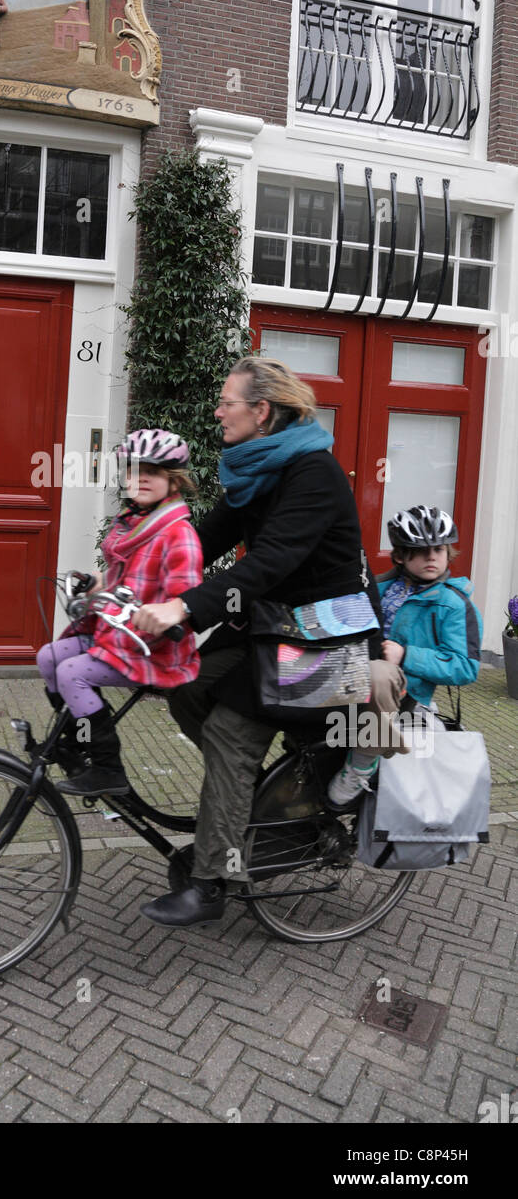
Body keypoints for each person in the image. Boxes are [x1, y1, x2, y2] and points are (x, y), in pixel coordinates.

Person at [130, 357, 402, 928]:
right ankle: (253, 805)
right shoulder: (256, 469)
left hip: (331, 646)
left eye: (227, 401)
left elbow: (271, 561)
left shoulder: (313, 473)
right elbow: (202, 540)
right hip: (275, 630)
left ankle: (211, 883)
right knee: (185, 684)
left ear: (261, 411)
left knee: (231, 731)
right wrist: (132, 579)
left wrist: (184, 607)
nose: (217, 410)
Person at [36, 429, 203, 797]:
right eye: (133, 469)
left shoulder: (178, 535)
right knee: (48, 657)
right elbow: (122, 580)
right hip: (116, 636)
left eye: (154, 471)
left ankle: (109, 770)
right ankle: (79, 744)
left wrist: (163, 616)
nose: (141, 477)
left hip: (154, 650)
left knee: (72, 673)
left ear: (173, 481)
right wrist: (95, 583)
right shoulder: (133, 523)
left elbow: (183, 601)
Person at [327, 505, 483, 806]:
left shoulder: (453, 604)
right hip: (356, 681)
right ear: (400, 555)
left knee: (377, 677)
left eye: (438, 549)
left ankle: (362, 763)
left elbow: (466, 667)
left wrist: (407, 654)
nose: (431, 557)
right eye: (420, 550)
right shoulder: (380, 587)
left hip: (405, 698)